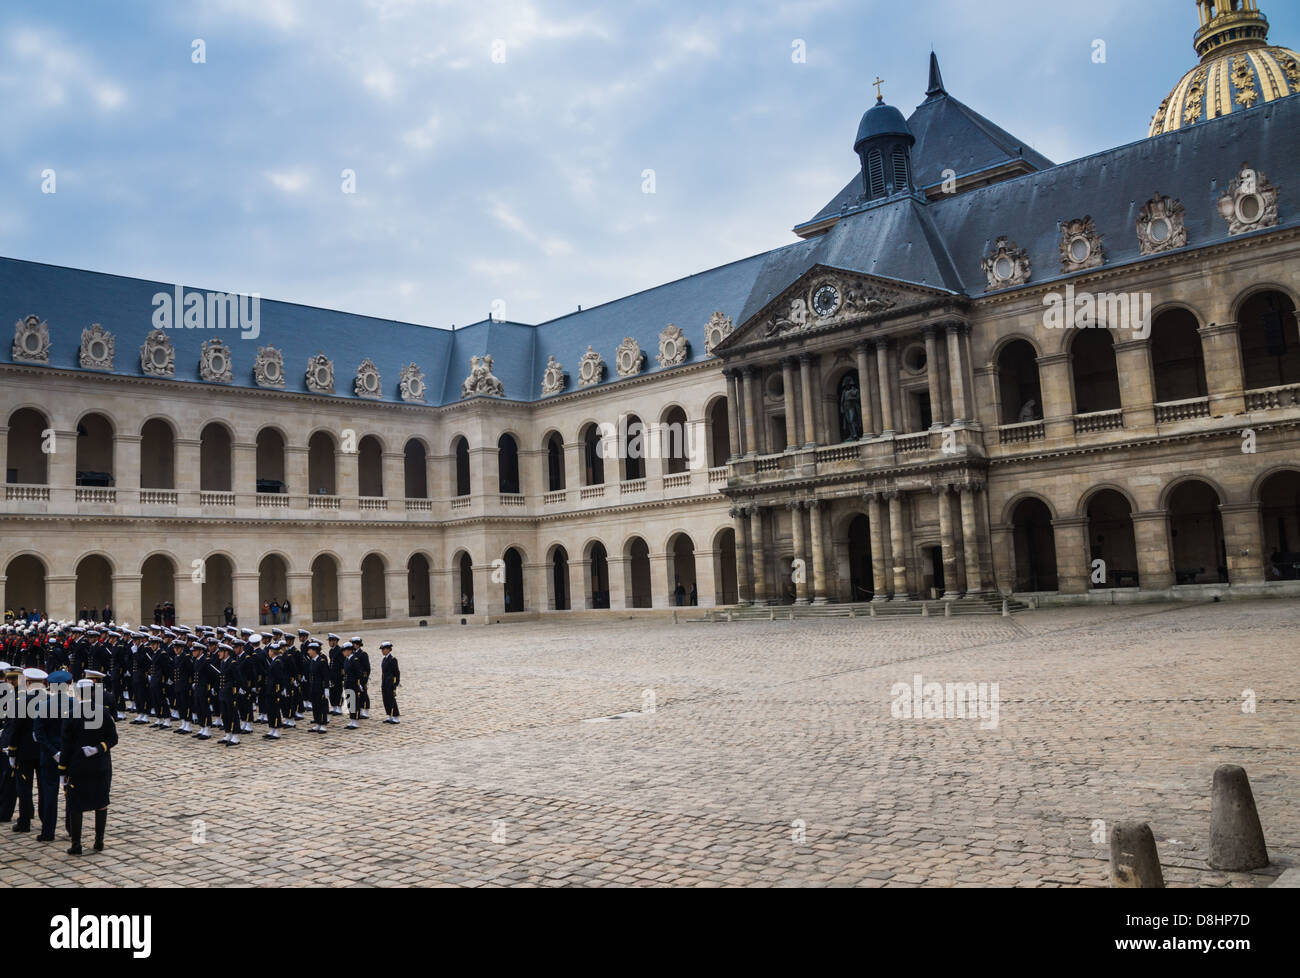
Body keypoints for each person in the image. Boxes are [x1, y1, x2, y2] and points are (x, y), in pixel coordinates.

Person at [59, 677, 118, 855]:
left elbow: (66, 746)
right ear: (93, 692)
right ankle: (99, 841)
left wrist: (62, 770)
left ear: (77, 693)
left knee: (76, 804)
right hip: (100, 766)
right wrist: (99, 748)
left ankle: (76, 844)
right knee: (101, 802)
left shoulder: (70, 715)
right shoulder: (103, 712)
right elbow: (113, 739)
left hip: (78, 767)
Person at [33, 669, 68, 843]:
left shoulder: (43, 705)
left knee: (49, 793)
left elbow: (39, 734)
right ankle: (72, 827)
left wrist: (54, 752)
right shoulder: (74, 705)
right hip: (69, 755)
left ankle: (48, 831)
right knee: (72, 792)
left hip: (49, 755)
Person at [306, 641, 330, 733]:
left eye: (310, 650)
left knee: (322, 706)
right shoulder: (312, 661)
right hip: (313, 687)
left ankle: (323, 724)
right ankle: (317, 723)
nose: (308, 652)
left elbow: (326, 676)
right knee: (315, 706)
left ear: (315, 650)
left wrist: (326, 688)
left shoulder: (321, 661)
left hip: (320, 687)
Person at [341, 642, 362, 729]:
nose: (343, 652)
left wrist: (359, 684)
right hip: (347, 683)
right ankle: (352, 720)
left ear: (349, 651)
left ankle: (355, 721)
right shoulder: (346, 659)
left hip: (353, 684)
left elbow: (358, 673)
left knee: (355, 702)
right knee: (350, 702)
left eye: (344, 651)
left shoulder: (355, 659)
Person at [379, 641, 400, 724]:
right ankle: (389, 715)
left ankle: (396, 716)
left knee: (391, 699)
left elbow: (396, 672)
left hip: (390, 682)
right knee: (386, 699)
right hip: (384, 682)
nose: (382, 651)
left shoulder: (392, 659)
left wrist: (395, 683)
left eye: (383, 649)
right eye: (382, 649)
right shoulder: (384, 659)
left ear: (388, 649)